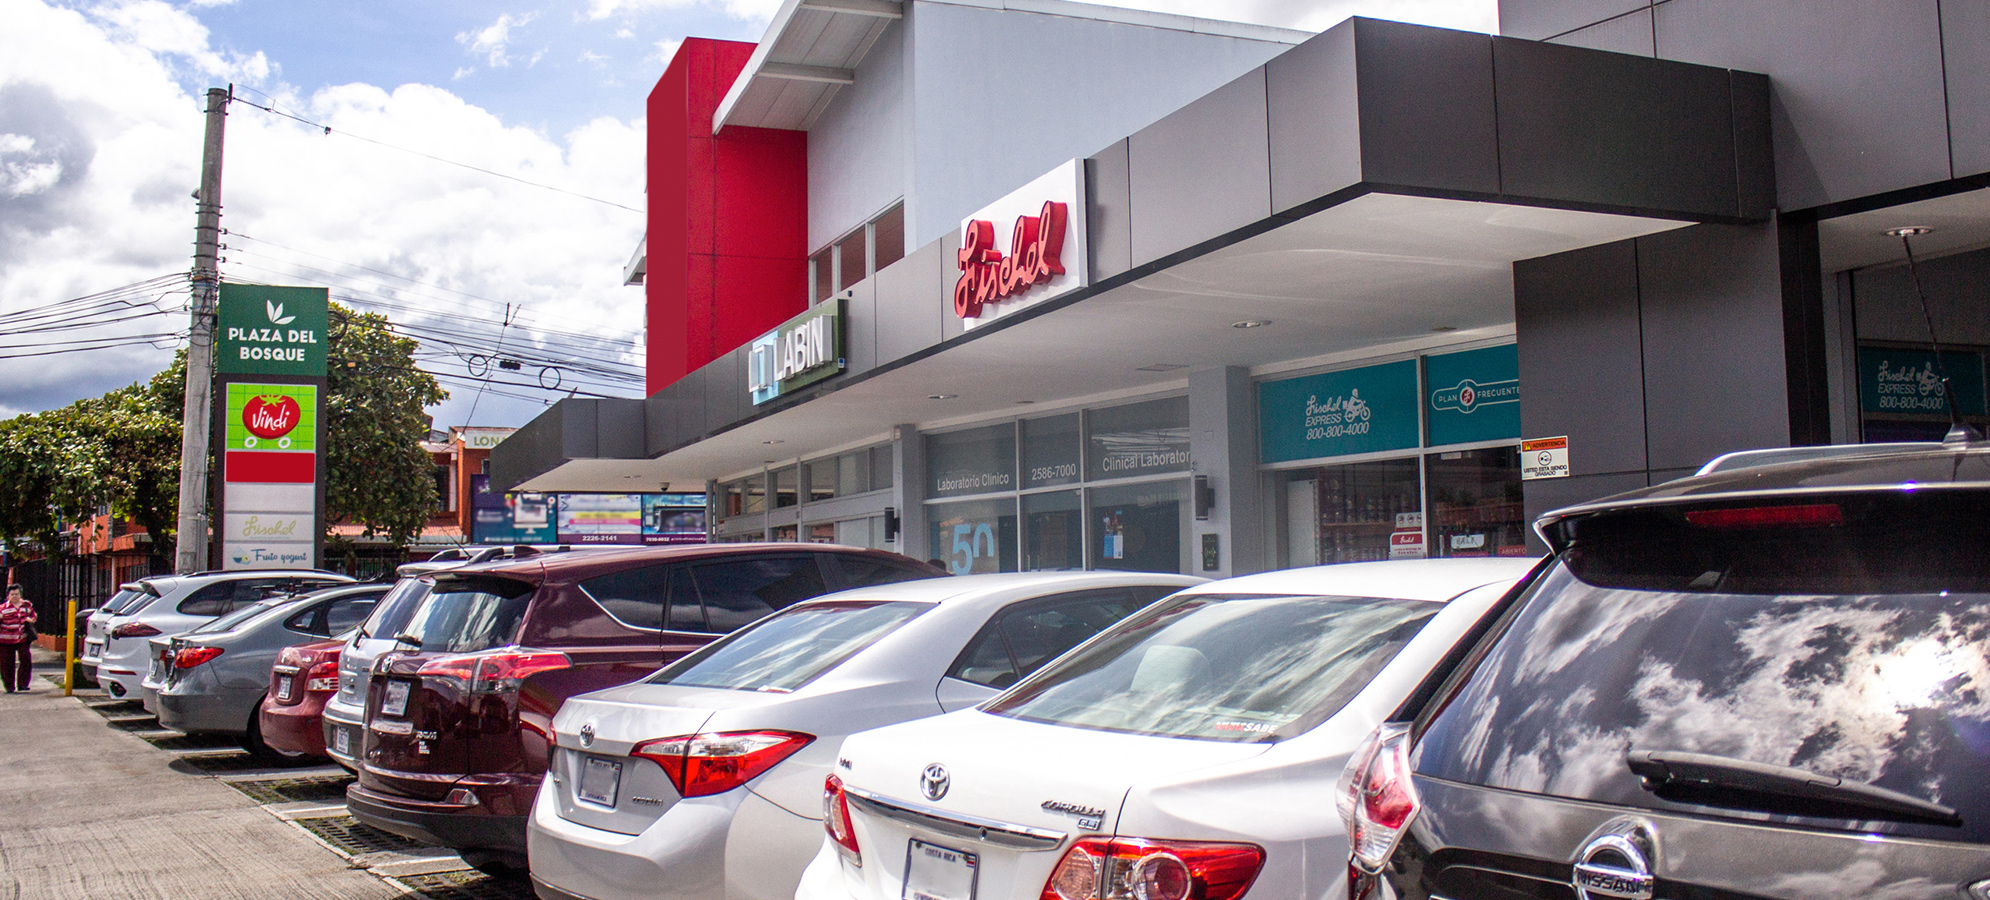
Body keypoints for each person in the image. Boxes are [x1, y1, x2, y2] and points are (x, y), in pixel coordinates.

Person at [0, 585, 35, 693]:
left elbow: (33, 615)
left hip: (22, 638)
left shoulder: (26, 605)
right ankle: (9, 686)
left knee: (26, 659)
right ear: (8, 596)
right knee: (6, 663)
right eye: (12, 594)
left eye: (17, 594)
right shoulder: (3, 608)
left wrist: (30, 619)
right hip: (6, 640)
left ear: (20, 595)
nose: (14, 596)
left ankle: (23, 684)